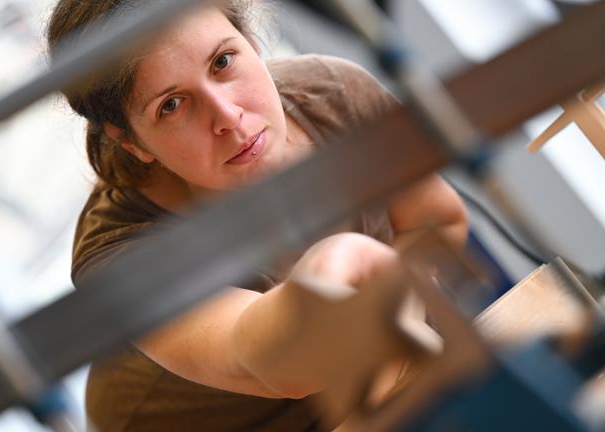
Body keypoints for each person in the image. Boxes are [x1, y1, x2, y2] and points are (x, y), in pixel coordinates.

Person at [46, 1, 468, 430]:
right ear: (130, 141)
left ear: (249, 40)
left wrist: (391, 313)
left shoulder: (333, 93)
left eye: (223, 61)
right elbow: (275, 365)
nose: (228, 116)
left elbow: (438, 221)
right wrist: (332, 268)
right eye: (171, 105)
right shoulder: (120, 252)